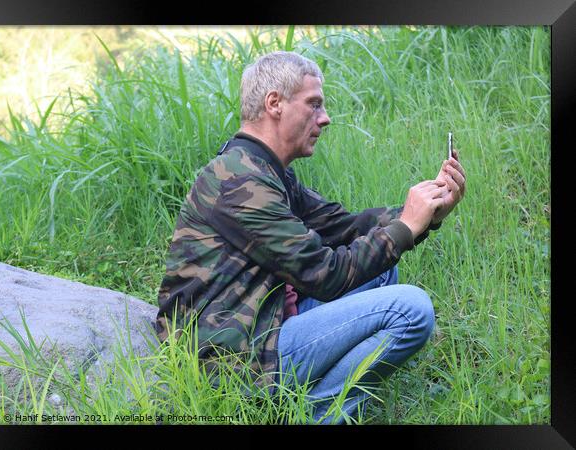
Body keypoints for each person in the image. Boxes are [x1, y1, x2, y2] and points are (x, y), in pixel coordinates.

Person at [155, 51, 466, 424]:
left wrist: (425, 214)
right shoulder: (239, 182)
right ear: (275, 104)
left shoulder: (264, 170)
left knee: (381, 275)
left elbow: (343, 227)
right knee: (410, 308)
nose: (325, 118)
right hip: (230, 359)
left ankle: (308, 406)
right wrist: (405, 227)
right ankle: (315, 415)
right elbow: (327, 274)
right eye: (314, 104)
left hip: (261, 326)